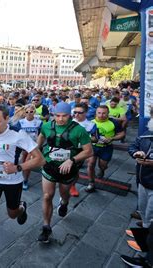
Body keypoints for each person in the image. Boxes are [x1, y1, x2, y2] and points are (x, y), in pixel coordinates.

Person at [0, 105, 45, 267]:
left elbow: (40, 159)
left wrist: (17, 168)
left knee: (12, 215)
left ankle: (21, 208)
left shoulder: (18, 134)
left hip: (13, 182)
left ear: (6, 119)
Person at [37, 102, 93, 243]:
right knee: (47, 195)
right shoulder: (46, 126)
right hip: (50, 165)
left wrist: (72, 160)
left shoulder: (79, 130)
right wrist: (36, 153)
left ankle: (64, 203)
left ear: (70, 115)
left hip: (68, 168)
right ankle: (46, 227)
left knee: (64, 193)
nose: (60, 119)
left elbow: (88, 151)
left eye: (64, 116)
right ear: (53, 114)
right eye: (57, 115)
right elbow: (40, 139)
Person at [121, 118, 153, 267]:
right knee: (145, 213)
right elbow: (133, 146)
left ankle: (147, 257)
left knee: (151, 217)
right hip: (143, 182)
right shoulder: (147, 134)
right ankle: (144, 241)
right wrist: (136, 153)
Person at [87, 105, 126, 192]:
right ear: (96, 113)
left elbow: (122, 134)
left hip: (106, 148)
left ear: (108, 113)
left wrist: (112, 138)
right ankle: (91, 183)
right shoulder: (90, 122)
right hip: (93, 147)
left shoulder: (114, 122)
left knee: (103, 165)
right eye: (99, 113)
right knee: (90, 164)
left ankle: (102, 170)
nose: (101, 115)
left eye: (104, 113)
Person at [70, 103, 97, 196]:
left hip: (82, 150)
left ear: (86, 113)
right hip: (69, 149)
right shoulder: (69, 121)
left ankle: (87, 183)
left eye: (79, 113)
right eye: (75, 112)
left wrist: (83, 138)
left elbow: (95, 138)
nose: (76, 115)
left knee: (76, 169)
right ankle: (71, 185)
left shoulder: (91, 125)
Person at [15, 104, 43, 190]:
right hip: (23, 147)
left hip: (33, 147)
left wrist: (38, 146)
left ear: (34, 112)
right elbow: (17, 135)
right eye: (27, 112)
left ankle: (25, 180)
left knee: (28, 165)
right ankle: (20, 177)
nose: (29, 113)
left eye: (31, 111)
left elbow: (41, 135)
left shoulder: (39, 122)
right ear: (24, 112)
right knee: (22, 163)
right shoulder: (21, 122)